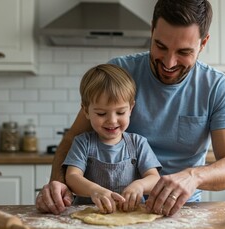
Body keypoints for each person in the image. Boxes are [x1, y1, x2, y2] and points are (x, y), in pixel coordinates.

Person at [36, 0, 225, 217]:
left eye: (183, 52)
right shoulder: (120, 72)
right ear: (152, 29)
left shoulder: (217, 87)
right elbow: (73, 139)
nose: (169, 63)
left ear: (203, 43)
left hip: (181, 211)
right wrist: (58, 184)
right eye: (160, 46)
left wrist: (193, 176)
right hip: (106, 208)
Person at [62, 64, 162, 214]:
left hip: (130, 213)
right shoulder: (83, 142)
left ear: (131, 108)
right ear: (86, 111)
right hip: (90, 213)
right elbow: (72, 177)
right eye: (101, 113)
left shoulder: (138, 143)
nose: (112, 120)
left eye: (120, 112)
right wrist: (94, 190)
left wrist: (139, 185)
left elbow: (154, 178)